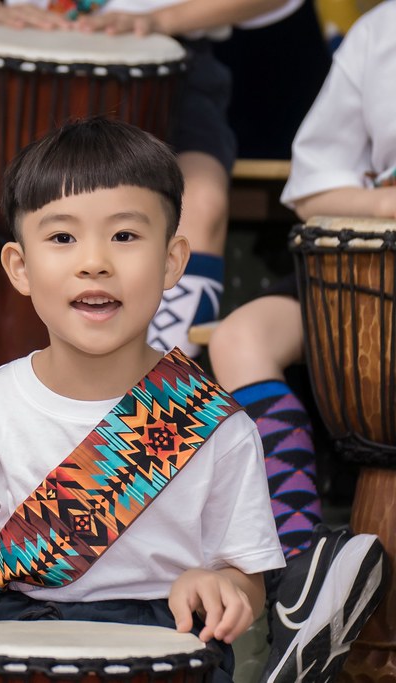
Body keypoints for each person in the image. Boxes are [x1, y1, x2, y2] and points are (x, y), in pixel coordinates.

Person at [0, 118, 285, 682]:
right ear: (19, 267)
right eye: (62, 238)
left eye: (125, 236)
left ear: (172, 262)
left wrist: (222, 588)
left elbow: (247, 583)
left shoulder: (219, 427)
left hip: (168, 643)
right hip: (18, 640)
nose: (94, 261)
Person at [0, 0, 301, 483]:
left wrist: (162, 20)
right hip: (25, 65)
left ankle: (157, 416)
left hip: (170, 64)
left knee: (203, 201)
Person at [207, 4, 394, 679]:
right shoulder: (381, 32)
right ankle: (302, 576)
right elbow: (314, 188)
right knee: (239, 335)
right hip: (368, 274)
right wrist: (381, 203)